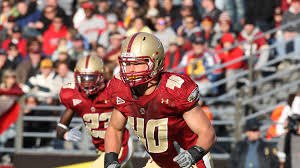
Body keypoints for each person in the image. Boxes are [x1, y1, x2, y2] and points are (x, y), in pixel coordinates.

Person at [104, 32, 216, 168]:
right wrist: (110, 161)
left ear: (156, 62)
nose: (130, 70)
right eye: (127, 64)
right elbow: (114, 129)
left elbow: (207, 132)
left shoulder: (174, 89)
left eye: (138, 63)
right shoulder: (120, 88)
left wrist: (192, 154)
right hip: (159, 162)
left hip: (191, 161)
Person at [57, 56, 133, 168]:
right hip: (100, 149)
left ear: (101, 76)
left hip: (120, 145)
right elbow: (60, 128)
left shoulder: (112, 90)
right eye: (83, 78)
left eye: (91, 78)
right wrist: (66, 134)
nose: (87, 83)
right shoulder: (73, 95)